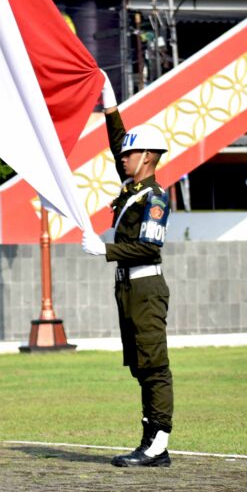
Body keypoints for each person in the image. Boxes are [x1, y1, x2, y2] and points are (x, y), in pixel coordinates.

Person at [82, 73, 174, 468]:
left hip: (146, 286)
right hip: (127, 289)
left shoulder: (154, 197)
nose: (122, 158)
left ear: (148, 158)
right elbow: (119, 142)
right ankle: (148, 439)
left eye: (130, 155)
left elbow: (149, 245)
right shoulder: (132, 189)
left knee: (154, 365)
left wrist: (105, 250)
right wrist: (110, 108)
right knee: (139, 365)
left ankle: (158, 443)